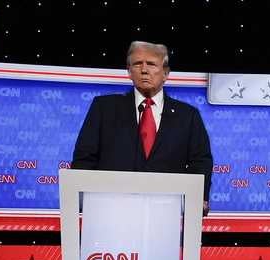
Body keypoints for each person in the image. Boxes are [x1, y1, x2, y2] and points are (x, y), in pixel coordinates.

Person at [72, 40, 213, 214]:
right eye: (138, 64)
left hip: (165, 215)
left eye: (152, 64)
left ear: (166, 73)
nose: (144, 70)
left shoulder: (188, 116)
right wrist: (81, 198)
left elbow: (200, 162)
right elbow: (84, 158)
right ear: (129, 71)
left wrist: (199, 198)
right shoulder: (104, 108)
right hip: (109, 213)